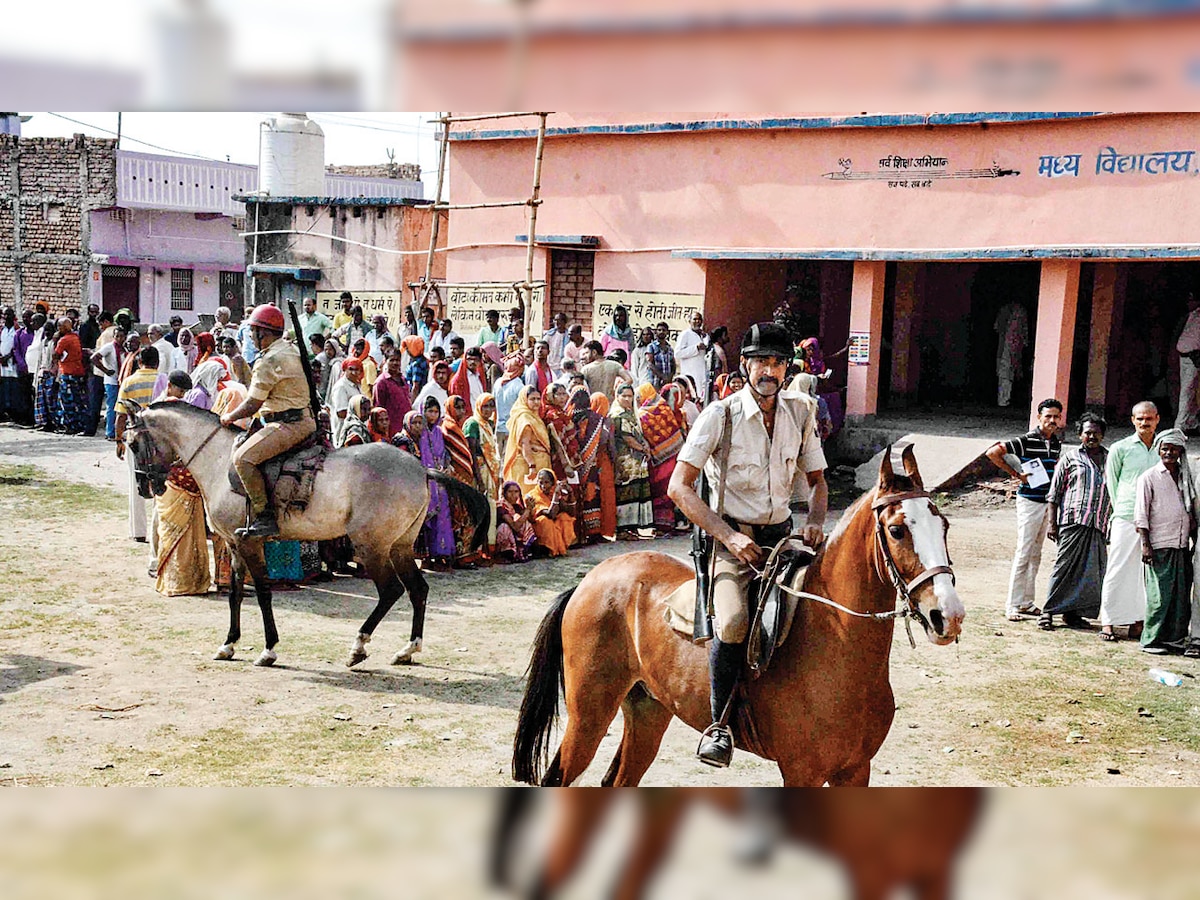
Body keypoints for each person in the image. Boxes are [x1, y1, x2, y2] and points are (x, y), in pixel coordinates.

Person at [669, 321, 829, 768]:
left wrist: (816, 521)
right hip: (729, 542)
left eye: (778, 362)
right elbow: (680, 489)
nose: (769, 370)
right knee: (736, 619)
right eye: (761, 361)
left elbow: (818, 482)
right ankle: (718, 726)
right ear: (745, 365)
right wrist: (730, 536)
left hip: (784, 537)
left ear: (787, 369)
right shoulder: (719, 415)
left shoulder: (801, 411)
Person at [220, 304, 318, 538]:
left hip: (288, 425)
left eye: (253, 332)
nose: (251, 338)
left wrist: (229, 416)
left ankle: (265, 516)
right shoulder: (290, 349)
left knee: (242, 459)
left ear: (262, 333)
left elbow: (253, 404)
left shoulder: (268, 360)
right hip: (304, 419)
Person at [985, 399, 1064, 622]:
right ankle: (1012, 605)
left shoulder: (1056, 442)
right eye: (1047, 416)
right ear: (1039, 417)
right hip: (1029, 501)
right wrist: (1015, 474)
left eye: (1056, 417)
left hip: (1046, 500)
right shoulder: (1027, 440)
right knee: (1024, 552)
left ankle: (1027, 602)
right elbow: (993, 452)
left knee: (1036, 553)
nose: (1052, 420)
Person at [1043, 413, 1112, 630]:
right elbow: (1054, 495)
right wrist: (1052, 524)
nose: (1092, 436)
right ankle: (1048, 612)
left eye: (1096, 433)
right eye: (1087, 432)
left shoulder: (1111, 459)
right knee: (1064, 568)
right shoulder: (1070, 458)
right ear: (1080, 435)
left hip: (1098, 523)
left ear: (1102, 435)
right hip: (1072, 521)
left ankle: (1073, 614)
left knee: (1090, 572)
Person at [1098, 401, 1159, 641]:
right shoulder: (1120, 448)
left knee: (1144, 573)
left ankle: (1138, 621)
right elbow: (1112, 485)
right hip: (1125, 515)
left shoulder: (1163, 448)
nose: (1145, 423)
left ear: (1157, 419)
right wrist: (1126, 508)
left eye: (1149, 418)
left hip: (1155, 519)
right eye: (1140, 419)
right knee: (1118, 568)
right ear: (1133, 420)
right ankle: (1108, 622)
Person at [1135, 429, 1196, 654]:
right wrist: (1145, 544)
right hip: (1159, 544)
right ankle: (1151, 640)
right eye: (1164, 448)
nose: (1168, 452)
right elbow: (1141, 514)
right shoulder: (1149, 477)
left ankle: (1174, 638)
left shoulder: (1185, 476)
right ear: (1159, 450)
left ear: (1180, 451)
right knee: (1159, 596)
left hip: (1181, 545)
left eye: (1173, 449)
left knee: (1180, 596)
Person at [152, 371, 212, 597]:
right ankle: (190, 581)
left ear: (169, 385)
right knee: (191, 531)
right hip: (187, 476)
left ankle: (171, 580)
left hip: (167, 477)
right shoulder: (185, 413)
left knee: (167, 528)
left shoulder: (155, 411)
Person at [114, 346, 161, 544]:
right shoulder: (164, 380)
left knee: (136, 483)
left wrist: (118, 440)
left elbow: (120, 416)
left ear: (139, 362)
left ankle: (139, 531)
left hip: (136, 438)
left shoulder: (129, 381)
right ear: (157, 362)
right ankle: (160, 529)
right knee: (162, 483)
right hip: (161, 439)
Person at [638, 382, 688, 534]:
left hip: (658, 460)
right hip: (675, 455)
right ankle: (674, 523)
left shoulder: (642, 414)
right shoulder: (665, 408)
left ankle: (663, 525)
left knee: (660, 491)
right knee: (672, 489)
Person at [443, 394, 485, 566]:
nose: (461, 411)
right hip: (455, 479)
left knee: (467, 516)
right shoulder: (448, 427)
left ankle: (466, 555)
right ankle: (456, 556)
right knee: (457, 517)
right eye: (457, 407)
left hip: (466, 477)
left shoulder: (461, 427)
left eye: (462, 407)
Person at [610, 382, 654, 538]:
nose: (628, 399)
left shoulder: (631, 413)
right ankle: (623, 529)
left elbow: (639, 435)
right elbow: (627, 438)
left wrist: (645, 447)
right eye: (624, 396)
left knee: (637, 492)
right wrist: (642, 449)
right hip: (625, 460)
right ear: (617, 397)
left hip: (637, 460)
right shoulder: (617, 415)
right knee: (626, 492)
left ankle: (633, 528)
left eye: (630, 396)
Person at [568, 387, 609, 543]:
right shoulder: (597, 418)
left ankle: (579, 533)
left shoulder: (569, 418)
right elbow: (603, 441)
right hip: (591, 464)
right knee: (592, 495)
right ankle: (593, 531)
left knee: (578, 496)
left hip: (574, 463)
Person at [501, 385, 553, 490]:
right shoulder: (525, 418)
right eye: (532, 399)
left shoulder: (534, 416)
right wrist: (532, 466)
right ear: (525, 400)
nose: (536, 402)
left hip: (539, 460)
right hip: (528, 464)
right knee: (529, 495)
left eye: (538, 399)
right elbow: (525, 444)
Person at [526, 468, 576, 557]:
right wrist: (556, 495)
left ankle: (560, 547)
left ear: (553, 483)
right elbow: (550, 514)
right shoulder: (533, 496)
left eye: (546, 482)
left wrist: (570, 492)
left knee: (564, 517)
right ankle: (547, 549)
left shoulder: (554, 492)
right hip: (538, 526)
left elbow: (572, 512)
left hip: (552, 521)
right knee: (545, 521)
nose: (543, 486)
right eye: (540, 482)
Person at [589, 392, 619, 541]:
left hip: (589, 462)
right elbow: (608, 443)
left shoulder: (586, 421)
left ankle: (593, 529)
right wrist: (615, 462)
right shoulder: (605, 422)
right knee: (607, 496)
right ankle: (606, 529)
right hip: (604, 461)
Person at [89, 325, 127, 438]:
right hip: (111, 381)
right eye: (117, 336)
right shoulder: (109, 347)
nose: (119, 338)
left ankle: (119, 430)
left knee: (121, 407)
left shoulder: (125, 348)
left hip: (122, 381)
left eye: (121, 336)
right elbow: (94, 358)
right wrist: (105, 370)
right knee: (111, 406)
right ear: (114, 337)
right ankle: (110, 432)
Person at [54, 316, 89, 435]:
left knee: (67, 401)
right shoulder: (75, 338)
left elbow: (56, 355)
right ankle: (80, 424)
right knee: (78, 400)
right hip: (78, 372)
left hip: (68, 373)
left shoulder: (63, 340)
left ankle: (70, 425)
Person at [463, 392, 500, 500]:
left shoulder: (488, 424)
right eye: (485, 406)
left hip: (490, 470)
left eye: (491, 406)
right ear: (479, 406)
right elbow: (472, 452)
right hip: (479, 470)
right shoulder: (473, 424)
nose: (488, 410)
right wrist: (480, 480)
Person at [994, 300, 1030, 408]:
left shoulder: (1016, 311)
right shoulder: (1009, 311)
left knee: (1010, 372)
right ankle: (1004, 400)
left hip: (1013, 346)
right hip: (1009, 346)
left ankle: (1006, 400)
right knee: (1006, 373)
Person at [494, 353, 529, 457]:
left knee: (499, 458)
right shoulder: (519, 386)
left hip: (499, 427)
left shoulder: (498, 383)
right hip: (512, 428)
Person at [372, 351, 413, 438]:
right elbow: (378, 408)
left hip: (405, 428)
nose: (395, 363)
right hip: (391, 430)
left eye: (397, 360)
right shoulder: (381, 382)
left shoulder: (403, 379)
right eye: (392, 360)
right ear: (385, 361)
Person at [495, 480, 537, 563]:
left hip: (514, 536)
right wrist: (527, 510)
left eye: (516, 492)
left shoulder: (517, 507)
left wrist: (530, 508)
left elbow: (531, 521)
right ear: (504, 493)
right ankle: (504, 555)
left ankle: (522, 551)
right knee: (504, 528)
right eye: (510, 491)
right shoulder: (501, 506)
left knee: (527, 524)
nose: (513, 495)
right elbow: (515, 526)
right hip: (502, 537)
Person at [1176, 291, 1200, 432]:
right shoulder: (1191, 315)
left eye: (1192, 300)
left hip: (1194, 357)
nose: (1189, 303)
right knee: (1189, 392)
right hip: (1184, 356)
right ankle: (1190, 422)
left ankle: (1179, 426)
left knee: (1187, 392)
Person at [675, 311, 710, 405]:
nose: (697, 321)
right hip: (690, 373)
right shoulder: (685, 334)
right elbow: (677, 353)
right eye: (694, 319)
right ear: (689, 321)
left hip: (702, 373)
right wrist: (696, 348)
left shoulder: (704, 335)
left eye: (699, 319)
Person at [449, 346, 488, 413]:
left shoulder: (480, 377)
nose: (472, 362)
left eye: (475, 359)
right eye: (469, 359)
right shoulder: (458, 381)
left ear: (480, 361)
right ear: (465, 360)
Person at [645, 322, 676, 390]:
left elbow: (673, 365)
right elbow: (650, 364)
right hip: (655, 381)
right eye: (659, 330)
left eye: (664, 330)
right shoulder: (651, 346)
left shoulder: (670, 348)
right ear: (656, 332)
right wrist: (662, 376)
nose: (661, 332)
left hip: (667, 383)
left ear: (667, 332)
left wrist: (669, 378)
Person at [706, 326, 730, 402]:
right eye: (725, 335)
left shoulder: (713, 348)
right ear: (719, 338)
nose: (727, 337)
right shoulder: (718, 351)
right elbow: (722, 369)